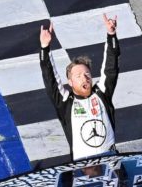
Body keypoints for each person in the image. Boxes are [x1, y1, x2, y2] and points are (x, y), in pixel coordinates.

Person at [39, 14, 120, 161]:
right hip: (83, 169)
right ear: (70, 82)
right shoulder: (66, 102)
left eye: (87, 74)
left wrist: (111, 35)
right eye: (78, 76)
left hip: (112, 163)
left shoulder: (101, 93)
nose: (84, 77)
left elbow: (111, 68)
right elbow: (50, 79)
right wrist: (45, 48)